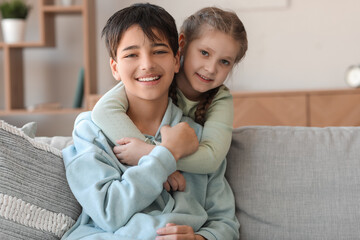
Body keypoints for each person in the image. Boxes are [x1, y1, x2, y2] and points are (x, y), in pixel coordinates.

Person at [62, 3, 239, 240]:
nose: (146, 64)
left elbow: (225, 222)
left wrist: (201, 238)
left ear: (177, 59)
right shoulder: (90, 131)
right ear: (115, 67)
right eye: (131, 54)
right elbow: (108, 212)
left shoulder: (196, 136)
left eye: (159, 51)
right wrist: (165, 156)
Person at [91, 6, 248, 188]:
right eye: (204, 53)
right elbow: (103, 111)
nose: (211, 68)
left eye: (225, 62)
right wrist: (162, 160)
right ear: (181, 44)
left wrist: (150, 153)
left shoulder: (220, 99)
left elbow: (211, 159)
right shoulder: (157, 77)